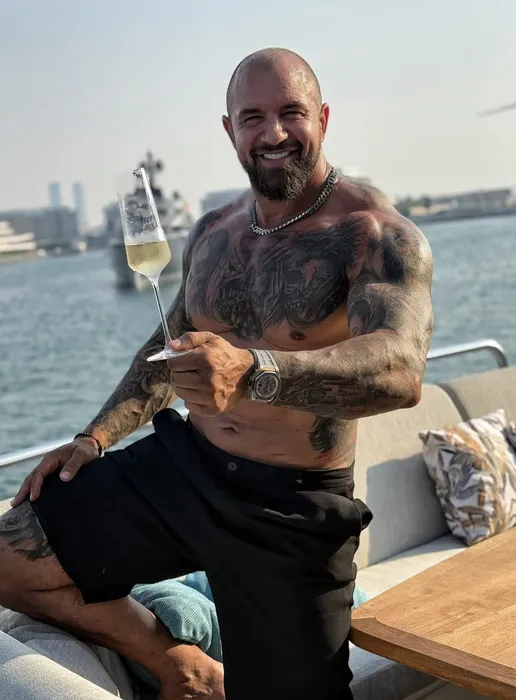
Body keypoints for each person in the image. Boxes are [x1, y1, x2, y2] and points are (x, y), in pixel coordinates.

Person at [0, 47, 433, 700]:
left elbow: (400, 368)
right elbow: (166, 345)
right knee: (9, 556)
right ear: (230, 131)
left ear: (322, 118)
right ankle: (183, 665)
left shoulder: (373, 234)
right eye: (252, 117)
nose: (274, 132)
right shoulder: (213, 233)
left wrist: (255, 370)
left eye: (291, 112)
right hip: (187, 468)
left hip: (290, 507)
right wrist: (95, 437)